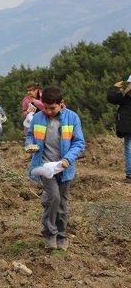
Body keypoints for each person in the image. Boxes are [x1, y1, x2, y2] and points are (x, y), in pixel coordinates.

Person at [26, 86, 85, 251]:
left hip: (64, 168)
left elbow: (79, 142)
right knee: (54, 198)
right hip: (44, 166)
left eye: (52, 108)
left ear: (61, 104)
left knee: (62, 203)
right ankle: (49, 233)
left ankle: (61, 235)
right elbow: (30, 135)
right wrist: (29, 145)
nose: (48, 111)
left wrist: (68, 159)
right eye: (45, 108)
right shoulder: (38, 117)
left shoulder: (72, 118)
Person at [106, 77, 131, 183]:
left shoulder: (125, 97)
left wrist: (116, 87)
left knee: (129, 148)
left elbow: (112, 98)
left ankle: (130, 175)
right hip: (128, 128)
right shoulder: (125, 96)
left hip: (128, 128)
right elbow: (112, 98)